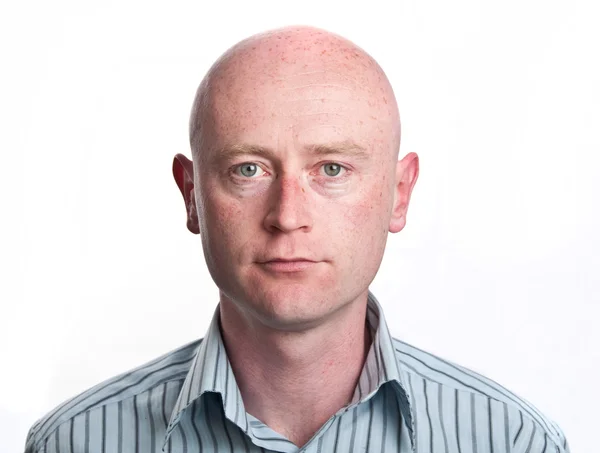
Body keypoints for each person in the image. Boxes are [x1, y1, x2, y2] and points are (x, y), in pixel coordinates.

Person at [24, 25, 570, 453]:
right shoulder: (71, 442)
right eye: (248, 170)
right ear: (191, 194)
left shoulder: (515, 441)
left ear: (399, 194)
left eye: (331, 170)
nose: (287, 216)